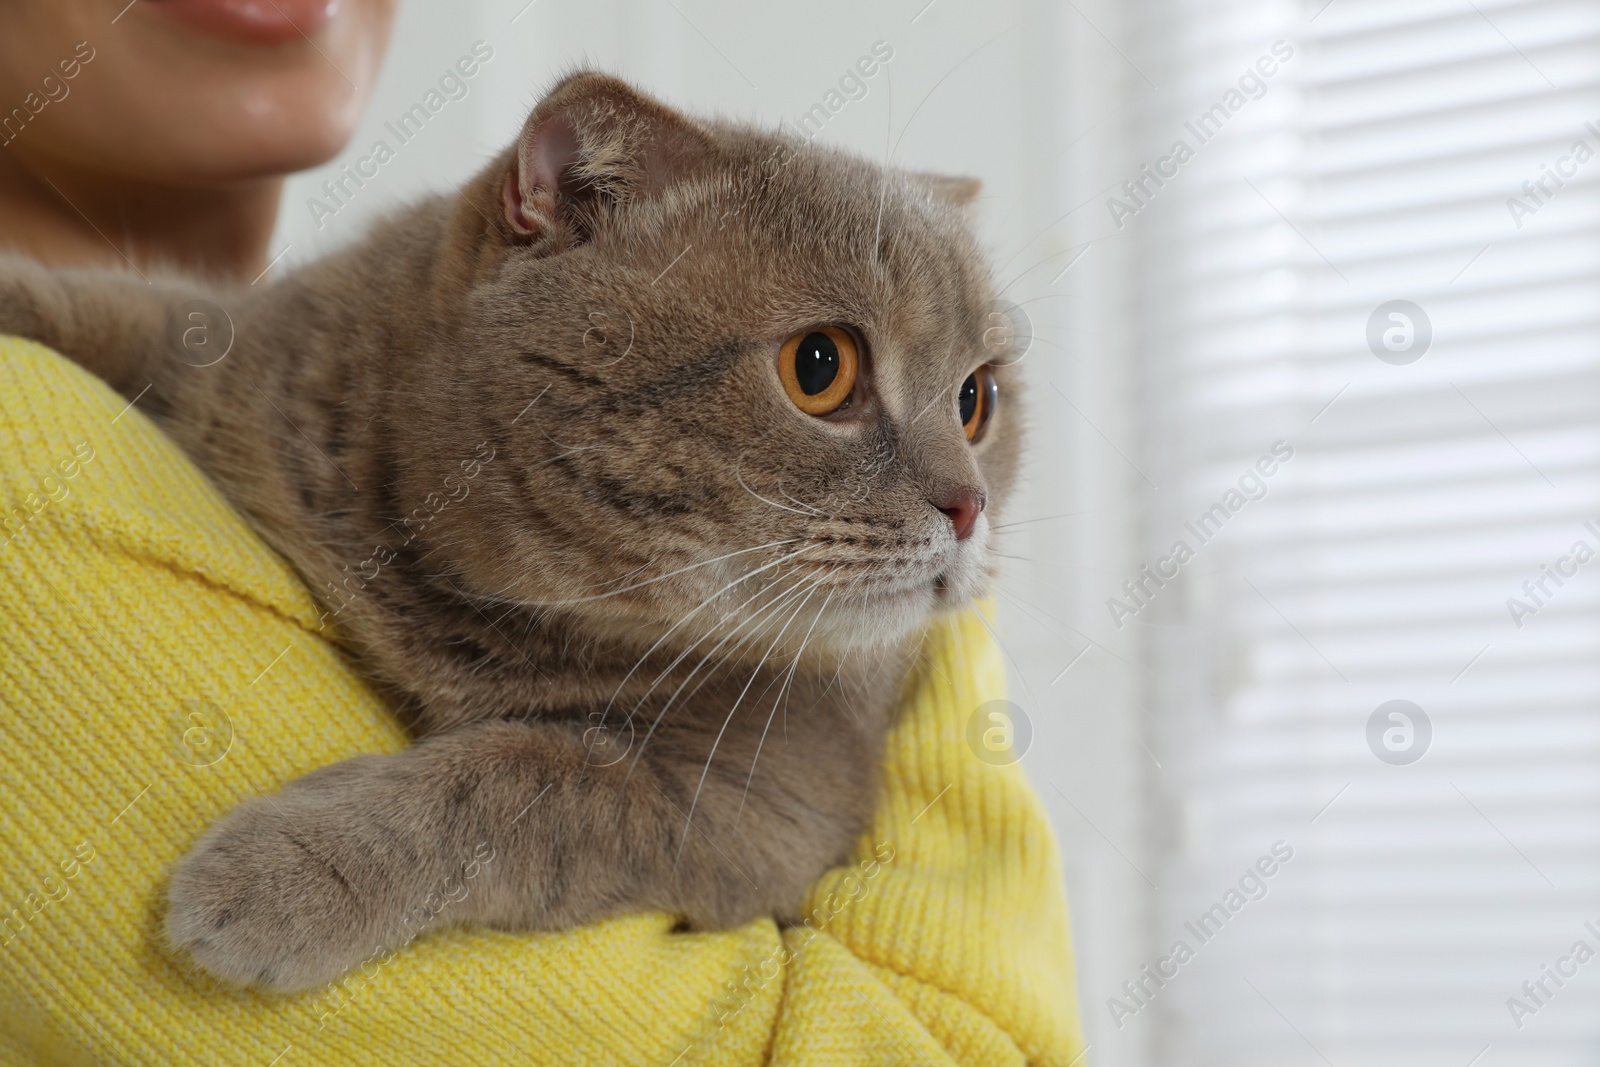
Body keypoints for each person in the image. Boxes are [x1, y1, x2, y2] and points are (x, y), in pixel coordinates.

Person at [0, 3, 1084, 1063]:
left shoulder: (790, 681)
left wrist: (452, 826)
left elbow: (749, 823)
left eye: (974, 401)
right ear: (569, 212)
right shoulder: (73, 459)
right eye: (822, 369)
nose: (959, 497)